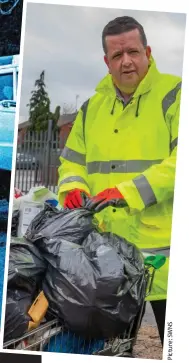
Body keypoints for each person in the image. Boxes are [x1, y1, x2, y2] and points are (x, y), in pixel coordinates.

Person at [58, 16, 182, 347]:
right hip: (106, 258)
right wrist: (72, 187)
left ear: (148, 52)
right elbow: (72, 161)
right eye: (117, 55)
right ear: (106, 61)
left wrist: (127, 192)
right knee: (113, 348)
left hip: (165, 258)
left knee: (176, 345)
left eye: (133, 51)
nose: (126, 61)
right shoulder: (91, 108)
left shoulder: (175, 95)